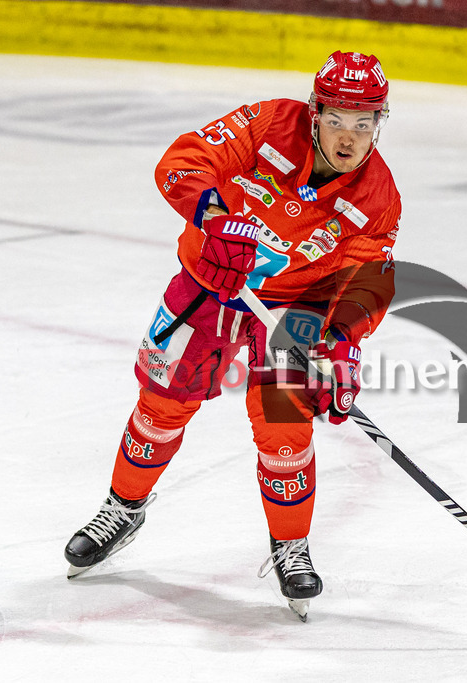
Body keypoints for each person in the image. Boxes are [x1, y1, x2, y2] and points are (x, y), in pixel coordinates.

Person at [64, 51, 401, 620]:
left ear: (379, 123)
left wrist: (340, 344)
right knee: (162, 404)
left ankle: (290, 544)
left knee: (284, 423)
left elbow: (369, 280)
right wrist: (215, 218)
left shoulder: (377, 196)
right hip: (210, 282)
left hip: (296, 304)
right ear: (315, 112)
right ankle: (122, 508)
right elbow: (183, 160)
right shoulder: (270, 122)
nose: (349, 138)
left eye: (364, 123)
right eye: (338, 120)